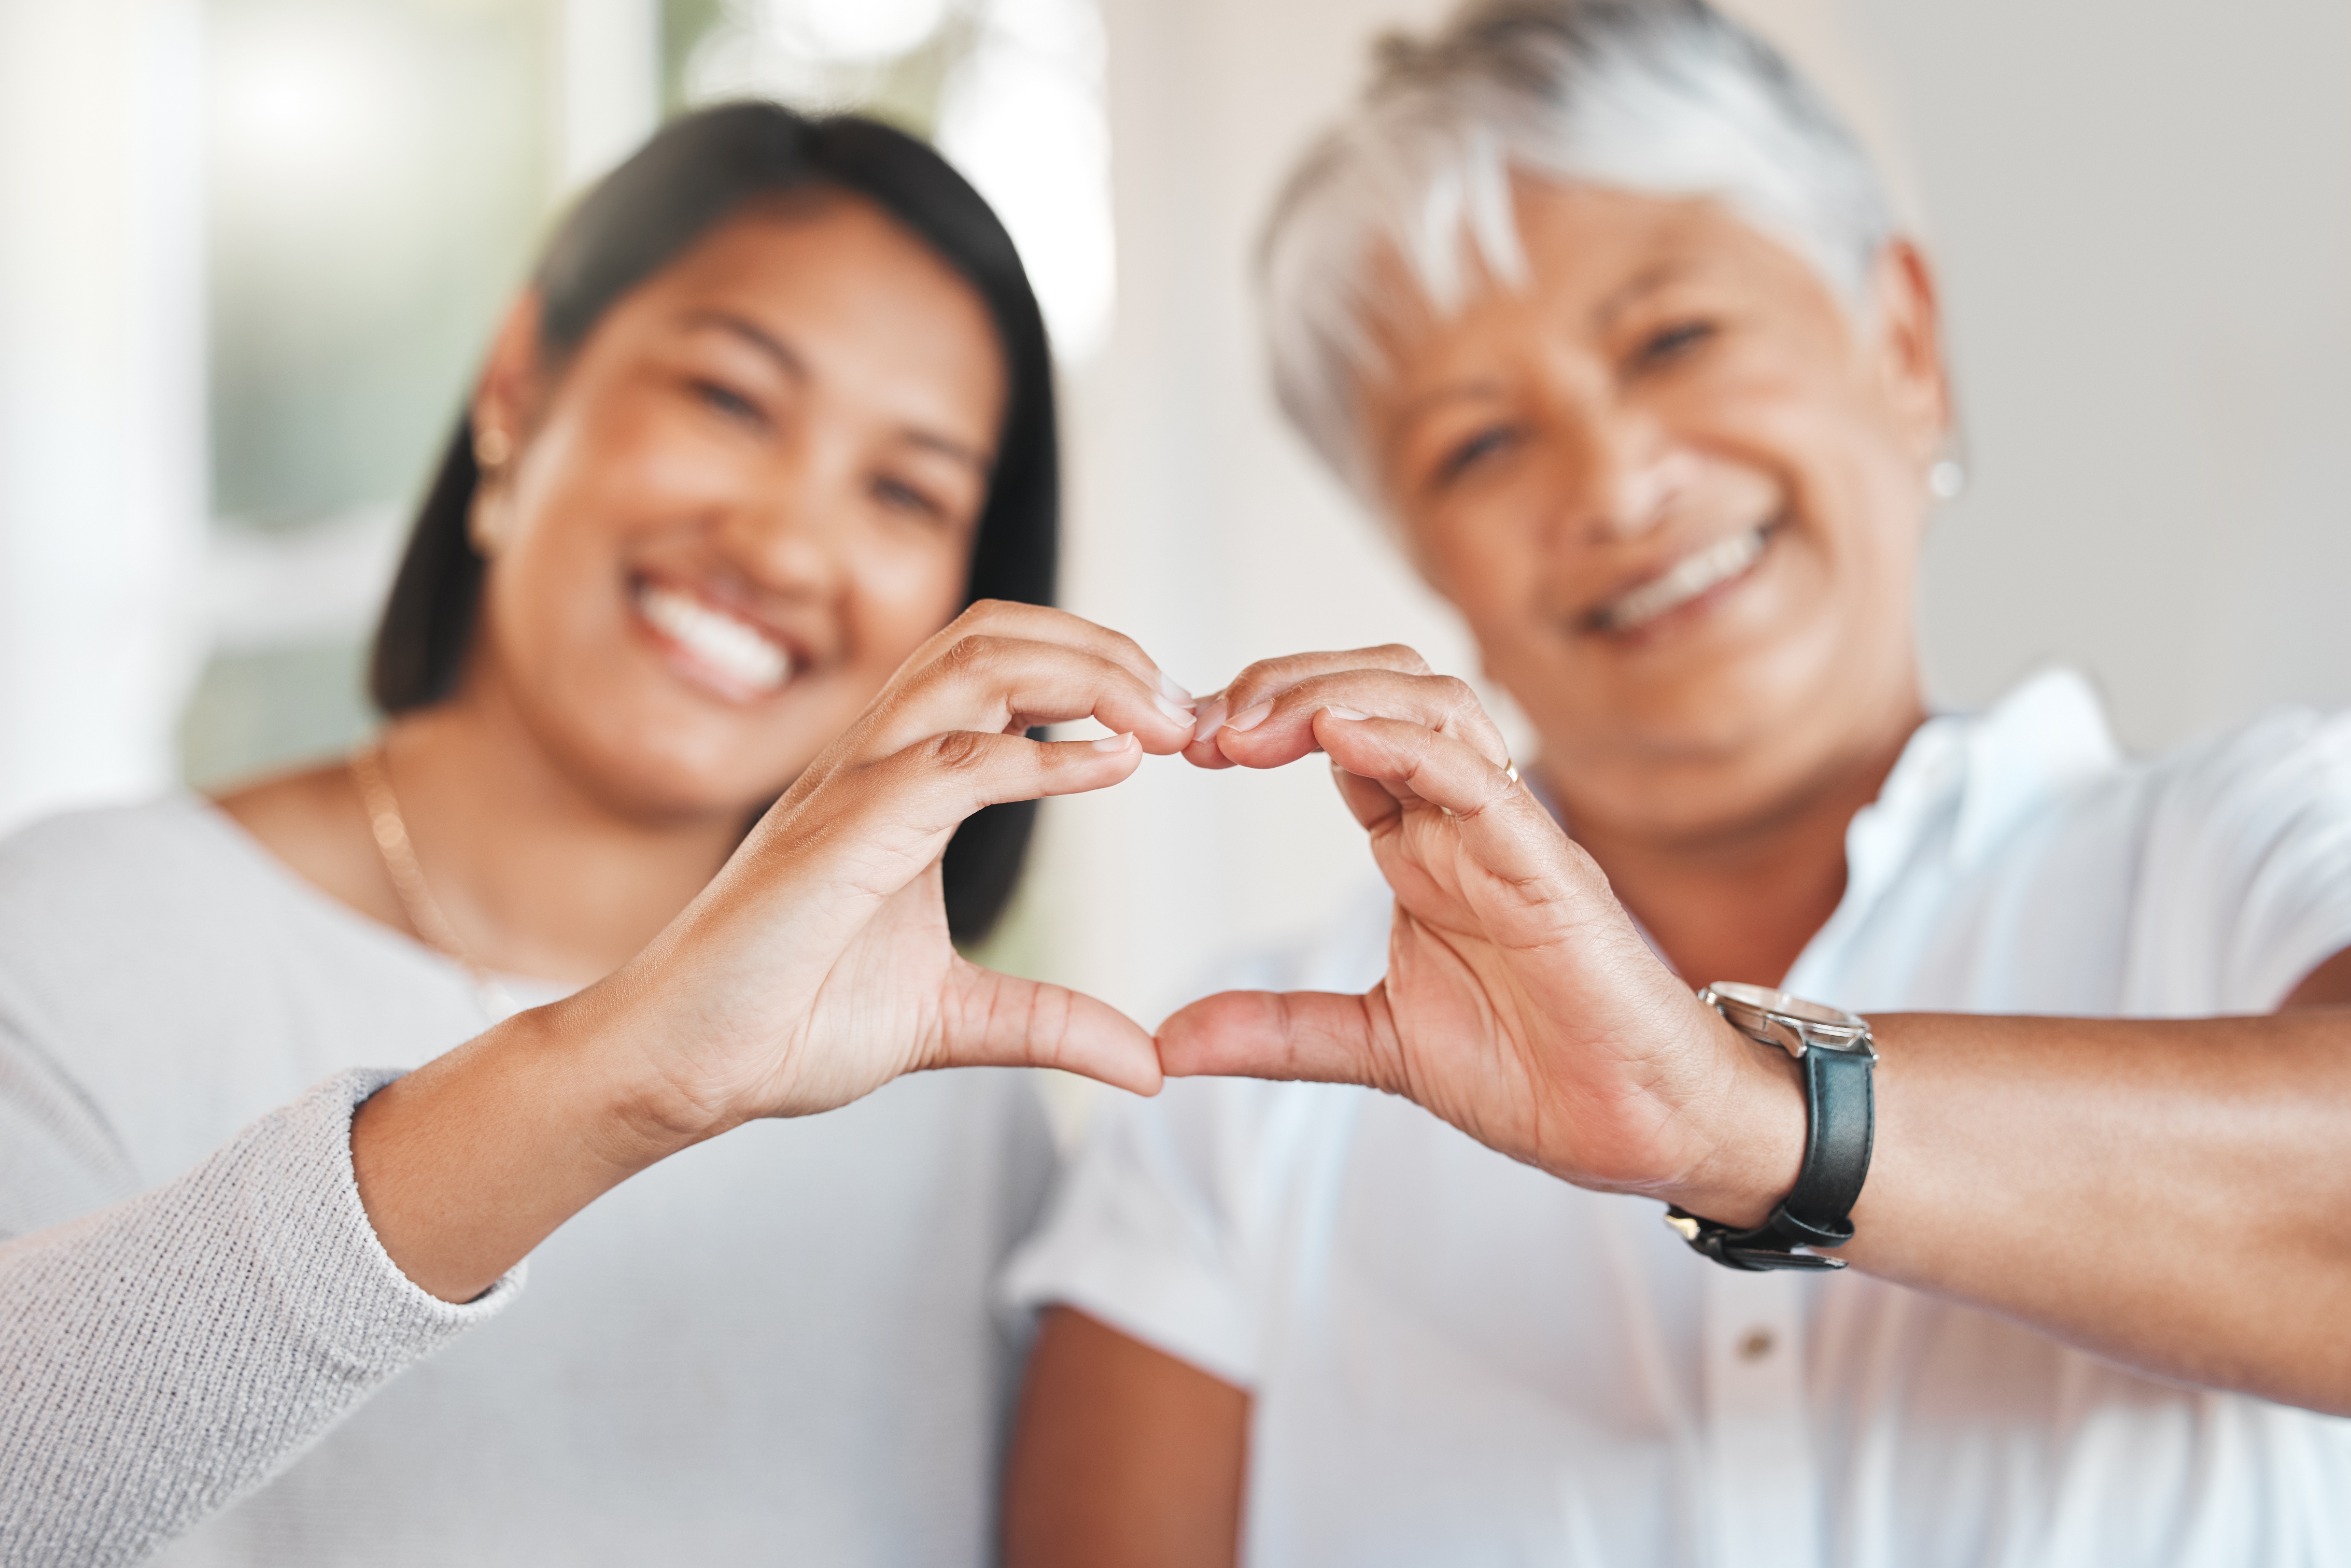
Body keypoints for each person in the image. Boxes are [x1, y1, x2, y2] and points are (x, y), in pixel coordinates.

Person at [998, 3, 2351, 1564]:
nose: (1618, 485)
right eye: (1481, 444)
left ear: (1903, 342)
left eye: (1673, 339)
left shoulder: (2252, 847)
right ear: (1423, 556)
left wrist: (1747, 1116)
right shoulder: (1240, 1105)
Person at [0, 104, 1199, 1567]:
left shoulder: (943, 1097)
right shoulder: (73, 941)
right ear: (522, 381)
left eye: (904, 489)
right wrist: (612, 1077)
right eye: (730, 400)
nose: (781, 546)